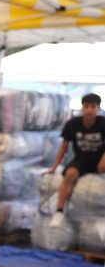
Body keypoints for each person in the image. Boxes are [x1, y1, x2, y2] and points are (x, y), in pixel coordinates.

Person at [45, 93, 105, 227]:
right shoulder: (73, 124)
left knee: (102, 167)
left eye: (93, 106)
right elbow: (63, 147)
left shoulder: (103, 123)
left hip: (100, 157)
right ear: (82, 108)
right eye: (86, 106)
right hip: (82, 158)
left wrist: (103, 162)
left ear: (98, 109)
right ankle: (59, 211)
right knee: (69, 174)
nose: (89, 109)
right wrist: (54, 167)